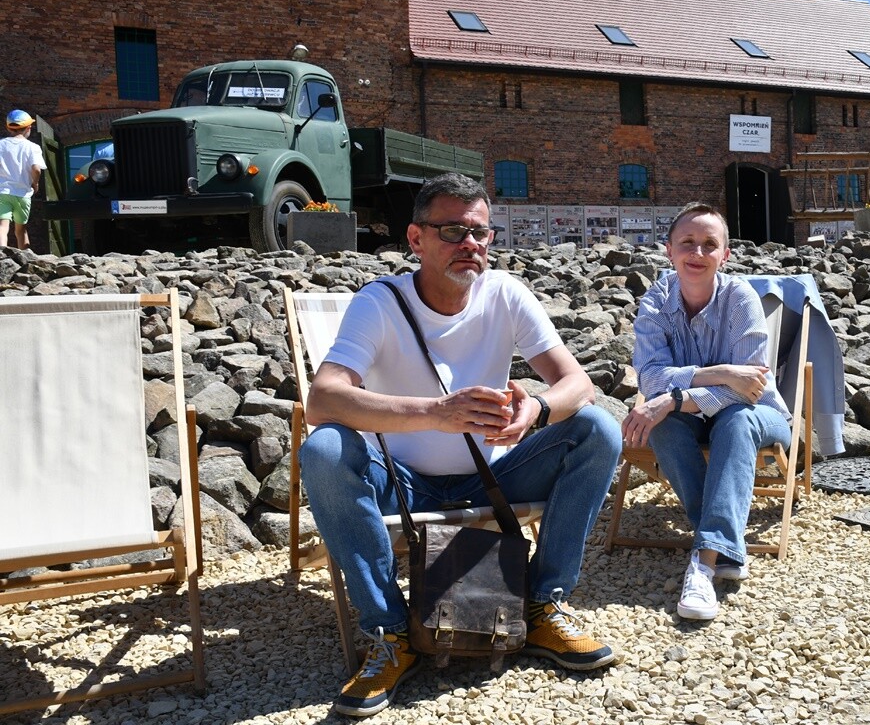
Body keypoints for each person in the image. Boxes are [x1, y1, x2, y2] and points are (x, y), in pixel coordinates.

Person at [300, 173, 622, 718]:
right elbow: (322, 400)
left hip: (489, 476)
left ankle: (543, 605)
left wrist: (537, 410)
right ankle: (388, 633)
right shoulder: (379, 303)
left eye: (481, 232)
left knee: (598, 429)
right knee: (325, 449)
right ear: (415, 239)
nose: (470, 243)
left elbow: (577, 383)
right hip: (400, 483)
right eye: (452, 230)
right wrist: (434, 414)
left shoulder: (505, 293)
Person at [620, 202, 791, 621]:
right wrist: (720, 372)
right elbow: (650, 379)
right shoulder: (658, 299)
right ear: (669, 250)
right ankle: (723, 544)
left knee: (734, 421)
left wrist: (676, 398)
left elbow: (750, 390)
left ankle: (703, 563)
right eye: (687, 243)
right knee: (662, 427)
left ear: (725, 254)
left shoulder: (740, 298)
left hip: (759, 417)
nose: (697, 253)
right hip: (700, 419)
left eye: (709, 245)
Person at [0, 110, 47, 250]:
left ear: (8, 127)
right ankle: (25, 259)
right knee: (21, 230)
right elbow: (37, 169)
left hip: (3, 191)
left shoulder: (1, 144)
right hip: (23, 193)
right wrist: (35, 183)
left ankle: (1, 256)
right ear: (29, 128)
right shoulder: (33, 147)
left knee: (3, 226)